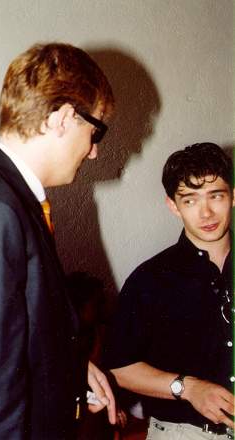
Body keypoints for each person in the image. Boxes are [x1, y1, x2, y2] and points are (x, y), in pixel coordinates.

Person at [0, 42, 116, 440]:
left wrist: (68, 365)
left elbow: (8, 334)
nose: (93, 152)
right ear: (64, 118)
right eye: (96, 132)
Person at [104, 143, 234, 439]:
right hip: (182, 432)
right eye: (190, 200)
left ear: (234, 196)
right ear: (173, 206)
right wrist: (189, 389)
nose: (206, 212)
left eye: (216, 196)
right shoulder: (151, 279)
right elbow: (119, 368)